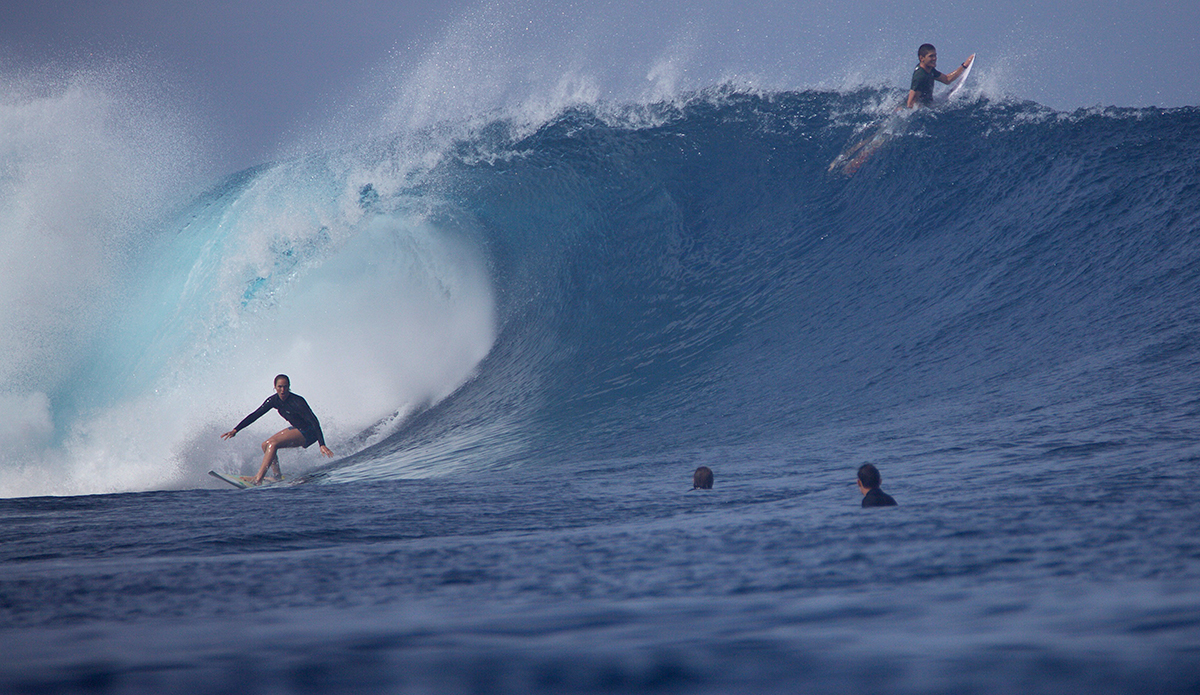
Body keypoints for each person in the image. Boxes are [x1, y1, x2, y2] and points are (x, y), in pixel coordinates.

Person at [221, 374, 333, 485]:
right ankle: (277, 476)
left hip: (309, 432)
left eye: (285, 386)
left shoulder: (298, 401)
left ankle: (258, 479)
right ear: (275, 387)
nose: (283, 390)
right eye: (280, 387)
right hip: (298, 428)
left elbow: (314, 421)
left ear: (289, 387)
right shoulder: (273, 401)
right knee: (265, 445)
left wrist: (321, 444)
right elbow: (255, 415)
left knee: (273, 444)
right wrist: (236, 429)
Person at [907, 44, 974, 108]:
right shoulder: (920, 76)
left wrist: (964, 65)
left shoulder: (929, 69)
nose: (934, 58)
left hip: (928, 103)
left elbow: (947, 79)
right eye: (931, 56)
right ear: (922, 58)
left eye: (935, 55)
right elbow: (910, 104)